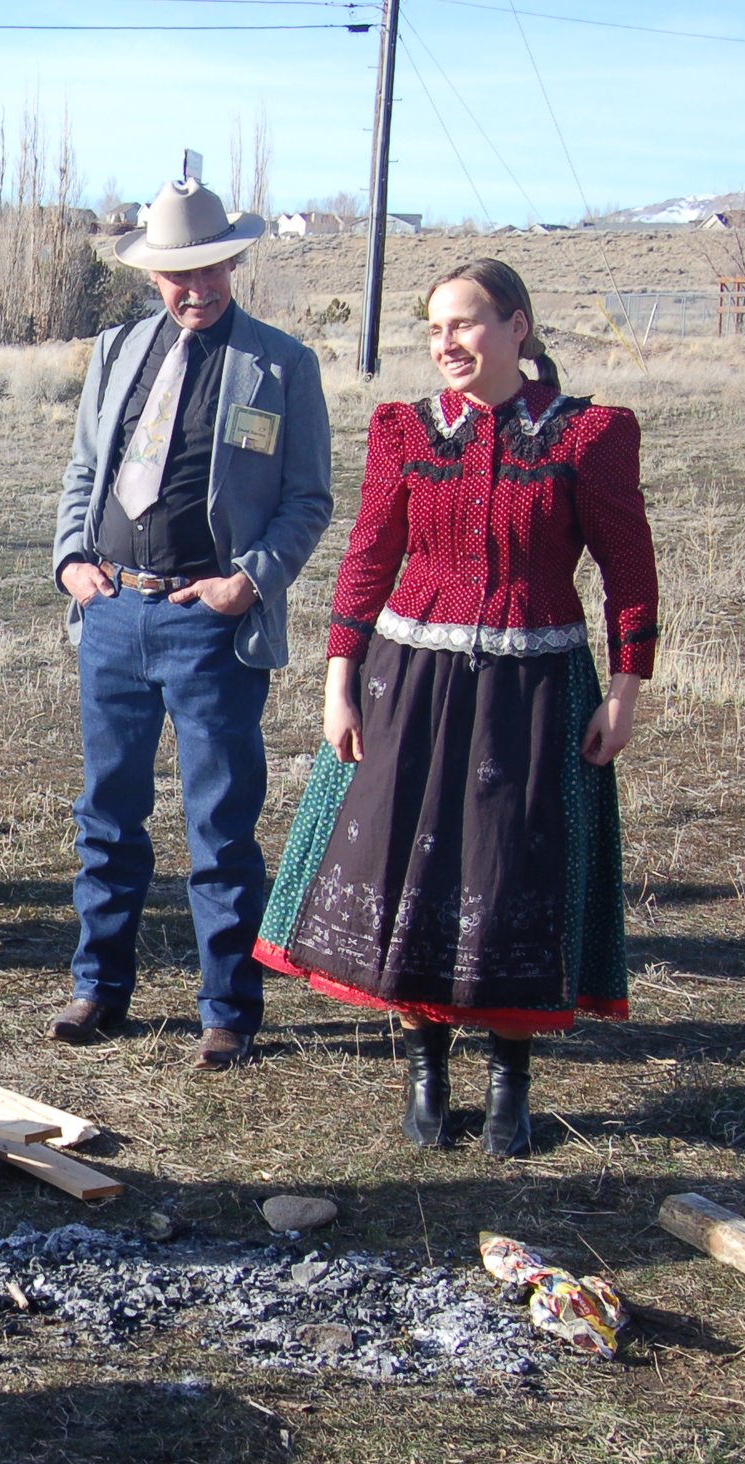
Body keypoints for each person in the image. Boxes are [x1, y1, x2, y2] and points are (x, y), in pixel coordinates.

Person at [255, 259, 659, 1156]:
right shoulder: (405, 431)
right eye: (436, 328)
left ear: (517, 327)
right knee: (415, 870)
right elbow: (368, 556)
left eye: (467, 325)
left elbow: (630, 572)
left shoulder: (589, 436)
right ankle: (426, 1066)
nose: (448, 344)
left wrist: (626, 692)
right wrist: (338, 677)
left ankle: (510, 1081)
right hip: (412, 682)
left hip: (536, 687)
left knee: (511, 871)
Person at [47, 176, 333, 1066]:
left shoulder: (282, 365)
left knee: (219, 826)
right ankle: (99, 988)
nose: (195, 288)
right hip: (114, 614)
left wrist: (248, 582)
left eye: (210, 268)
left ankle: (227, 1011)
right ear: (153, 276)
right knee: (109, 816)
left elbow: (307, 500)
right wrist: (71, 564)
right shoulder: (117, 350)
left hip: (210, 624)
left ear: (235, 261)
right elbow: (83, 471)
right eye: (178, 274)